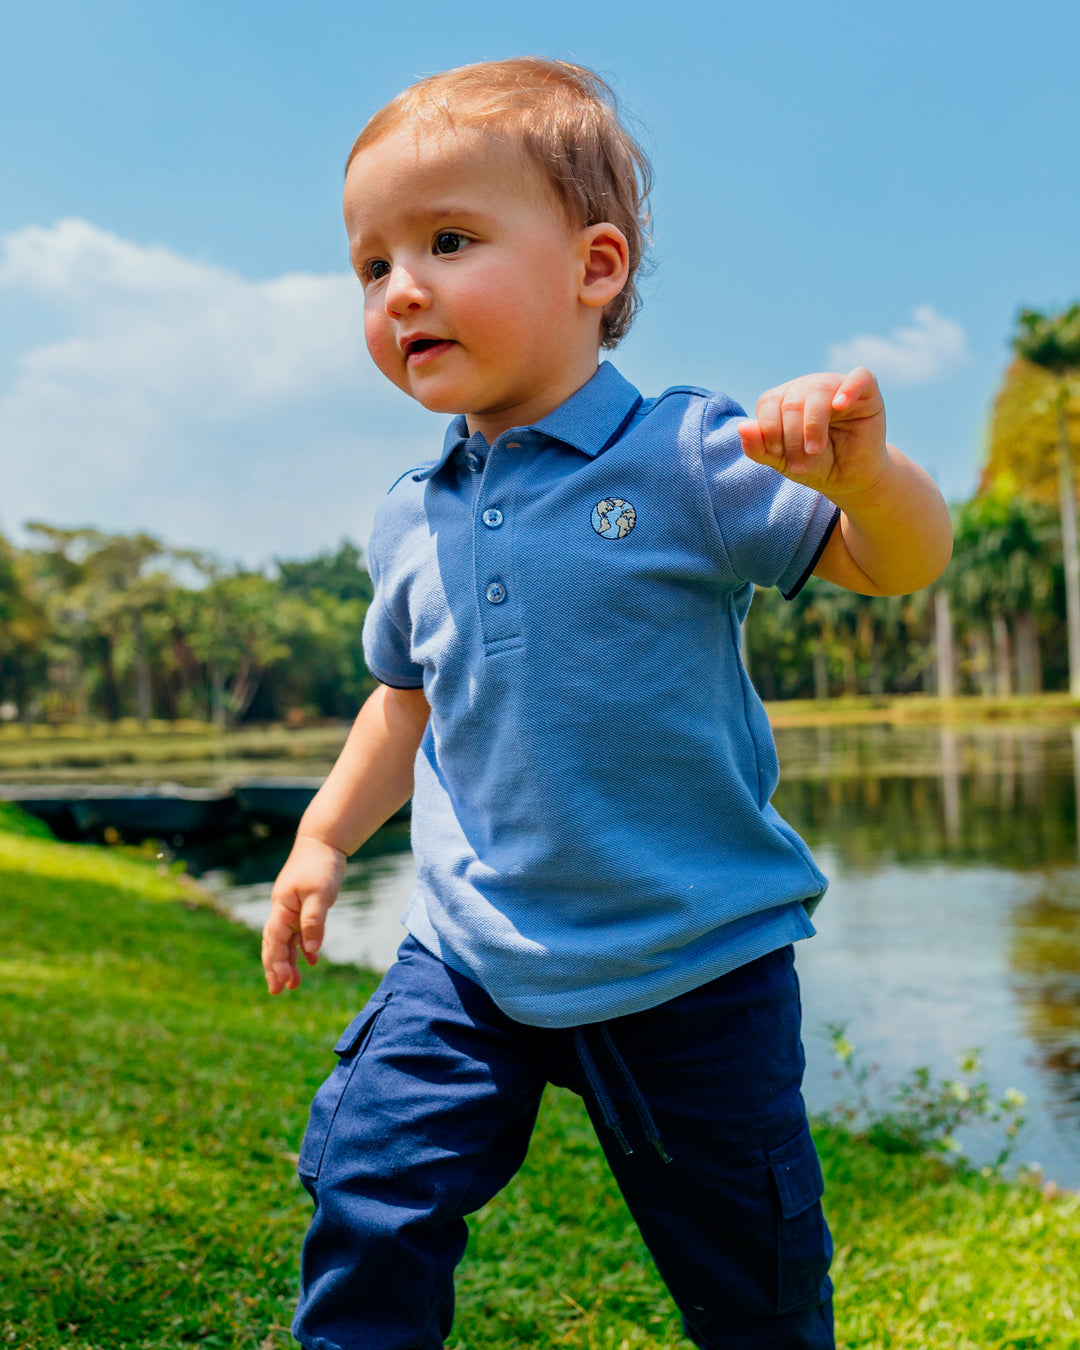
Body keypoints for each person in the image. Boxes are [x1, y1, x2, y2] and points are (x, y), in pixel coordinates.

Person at [261, 57, 953, 1350]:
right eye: (372, 264)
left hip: (692, 958)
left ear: (595, 268)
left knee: (754, 1284)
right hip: (471, 958)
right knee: (367, 1179)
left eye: (448, 240)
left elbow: (897, 564)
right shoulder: (412, 511)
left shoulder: (691, 455)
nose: (400, 286)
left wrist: (869, 475)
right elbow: (401, 703)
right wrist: (319, 840)